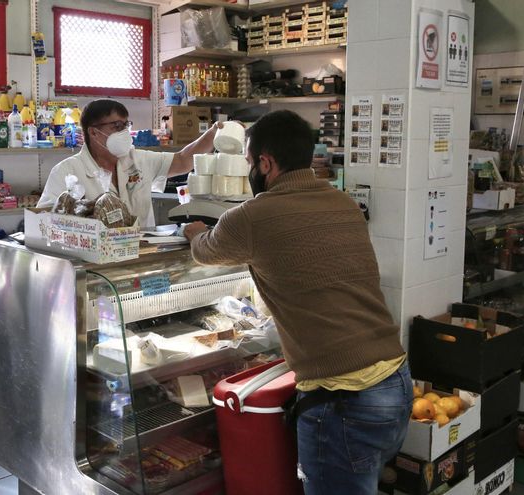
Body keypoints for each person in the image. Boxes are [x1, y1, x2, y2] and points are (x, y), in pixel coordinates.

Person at [184, 110, 411, 494]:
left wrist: (193, 231)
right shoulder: (342, 202)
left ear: (265, 163)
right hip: (395, 382)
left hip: (344, 399)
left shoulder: (253, 216)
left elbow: (205, 252)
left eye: (249, 162)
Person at [37, 99, 221, 227]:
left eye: (126, 125)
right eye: (117, 126)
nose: (124, 132)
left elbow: (182, 160)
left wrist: (215, 132)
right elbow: (43, 221)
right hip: (92, 262)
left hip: (140, 258)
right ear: (93, 133)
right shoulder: (67, 171)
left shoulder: (138, 160)